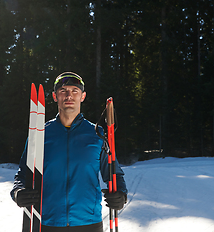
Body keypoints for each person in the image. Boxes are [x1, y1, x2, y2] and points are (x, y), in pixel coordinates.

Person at [10, 72, 127, 232]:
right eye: (63, 90)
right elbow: (23, 174)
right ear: (54, 96)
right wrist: (18, 192)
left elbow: (114, 174)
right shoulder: (39, 134)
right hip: (48, 223)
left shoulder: (98, 135)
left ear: (83, 96)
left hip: (88, 223)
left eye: (75, 91)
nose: (69, 96)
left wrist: (121, 195)